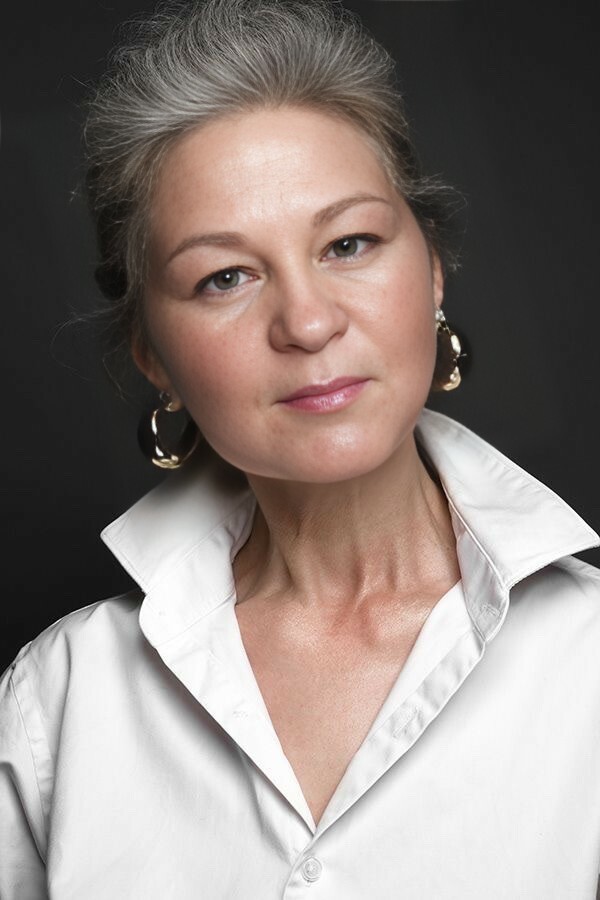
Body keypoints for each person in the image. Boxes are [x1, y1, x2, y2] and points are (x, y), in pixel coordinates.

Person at [1, 0, 600, 896]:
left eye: (349, 243)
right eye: (225, 277)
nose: (309, 323)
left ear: (432, 269)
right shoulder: (60, 701)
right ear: (152, 353)